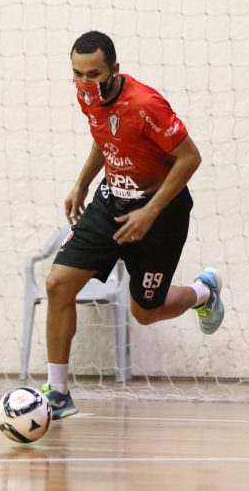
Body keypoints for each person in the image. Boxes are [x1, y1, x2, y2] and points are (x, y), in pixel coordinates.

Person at [42, 31, 224, 419]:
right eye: (77, 74)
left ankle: (203, 293)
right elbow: (105, 136)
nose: (85, 83)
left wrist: (150, 211)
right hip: (111, 202)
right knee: (58, 283)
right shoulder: (87, 96)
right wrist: (82, 182)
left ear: (114, 69)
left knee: (145, 312)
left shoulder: (146, 104)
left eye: (93, 74)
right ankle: (58, 394)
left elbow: (190, 158)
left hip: (162, 214)